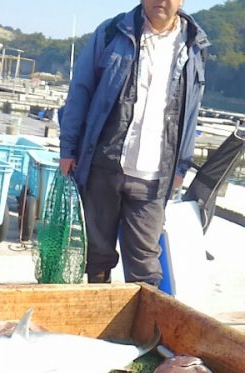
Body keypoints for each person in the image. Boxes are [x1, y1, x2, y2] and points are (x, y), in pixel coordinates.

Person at [59, 0, 209, 286]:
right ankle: (98, 314)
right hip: (105, 163)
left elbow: (191, 112)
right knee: (98, 254)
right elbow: (80, 90)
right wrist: (68, 148)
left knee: (145, 264)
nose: (161, 1)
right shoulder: (111, 33)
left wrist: (182, 165)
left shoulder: (194, 46)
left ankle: (143, 327)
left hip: (154, 175)